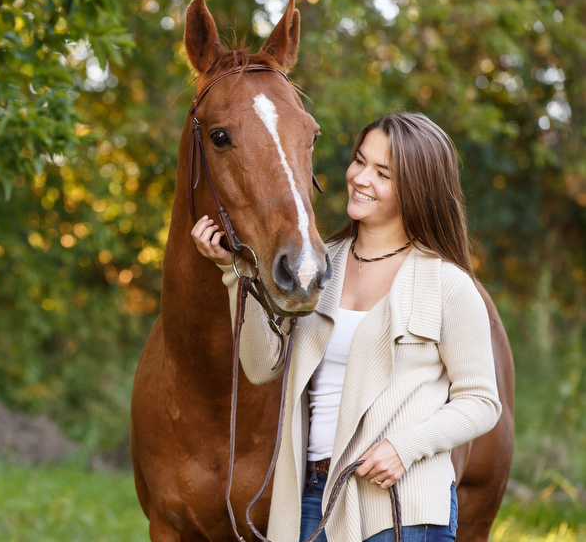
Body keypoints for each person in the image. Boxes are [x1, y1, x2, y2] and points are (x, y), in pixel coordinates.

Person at [191, 112, 502, 542]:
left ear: (417, 188)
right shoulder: (318, 268)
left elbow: (482, 400)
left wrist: (405, 447)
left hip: (400, 505)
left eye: (382, 173)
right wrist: (233, 274)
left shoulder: (448, 283)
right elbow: (263, 367)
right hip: (311, 498)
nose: (359, 178)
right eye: (360, 160)